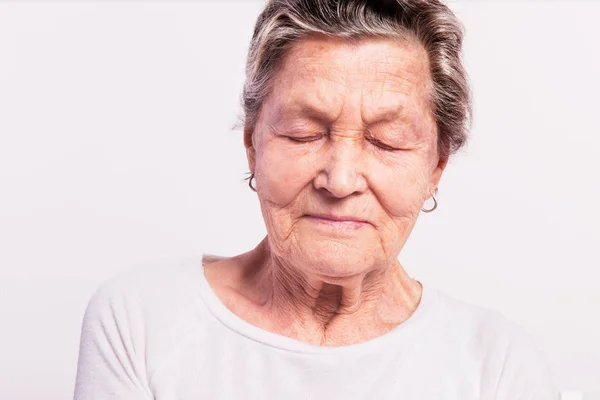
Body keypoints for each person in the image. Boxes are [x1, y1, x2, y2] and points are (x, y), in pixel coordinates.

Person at [74, 0, 559, 398]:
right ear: (253, 145)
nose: (340, 179)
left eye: (387, 141)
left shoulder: (498, 367)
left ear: (436, 167)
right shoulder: (142, 319)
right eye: (304, 134)